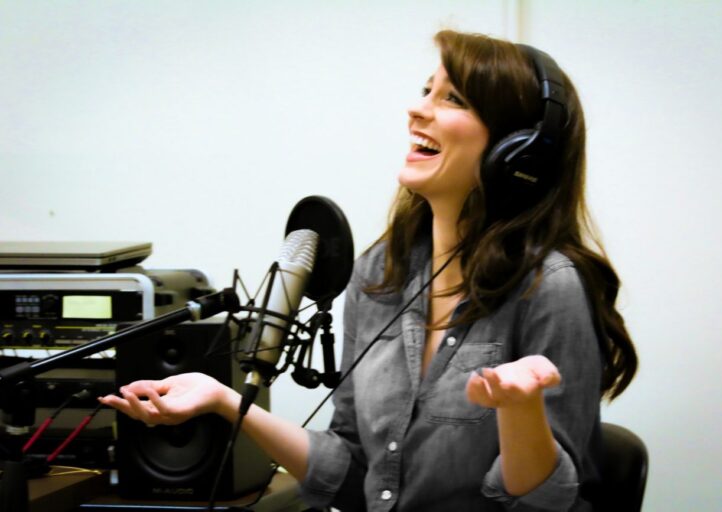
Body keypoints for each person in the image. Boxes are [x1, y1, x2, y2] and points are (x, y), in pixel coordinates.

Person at [100, 30, 637, 511]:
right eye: (426, 90)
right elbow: (356, 469)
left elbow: (550, 502)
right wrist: (222, 401)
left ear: (518, 151)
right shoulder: (382, 272)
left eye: (452, 98)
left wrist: (521, 414)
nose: (417, 110)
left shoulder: (550, 286)